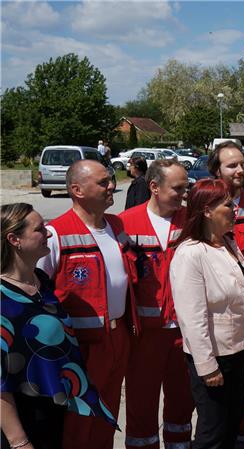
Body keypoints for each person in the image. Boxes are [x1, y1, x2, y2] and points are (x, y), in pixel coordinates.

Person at [36, 159, 139, 449]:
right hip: (81, 347)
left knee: (106, 416)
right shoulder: (56, 234)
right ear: (77, 190)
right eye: (104, 182)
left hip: (117, 337)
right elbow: (38, 292)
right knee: (79, 422)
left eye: (110, 180)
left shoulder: (116, 225)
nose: (113, 186)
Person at [1, 203, 117, 449]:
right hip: (20, 417)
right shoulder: (2, 298)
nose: (50, 233)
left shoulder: (41, 282)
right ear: (14, 239)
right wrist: (19, 441)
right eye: (40, 229)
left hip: (51, 408)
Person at [170, 179, 244, 449]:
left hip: (237, 350)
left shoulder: (228, 244)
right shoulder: (190, 254)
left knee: (231, 425)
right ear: (207, 210)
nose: (235, 210)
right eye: (228, 205)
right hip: (213, 359)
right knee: (212, 433)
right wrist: (207, 367)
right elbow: (191, 317)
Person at [120, 160, 194, 449]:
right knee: (140, 403)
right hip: (144, 335)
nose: (183, 194)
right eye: (177, 188)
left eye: (185, 187)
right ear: (154, 187)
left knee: (182, 404)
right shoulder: (124, 223)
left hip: (184, 332)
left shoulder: (191, 220)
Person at [207, 140, 244, 442]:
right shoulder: (203, 206)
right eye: (232, 165)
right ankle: (226, 428)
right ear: (216, 170)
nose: (241, 170)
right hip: (219, 303)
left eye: (242, 164)